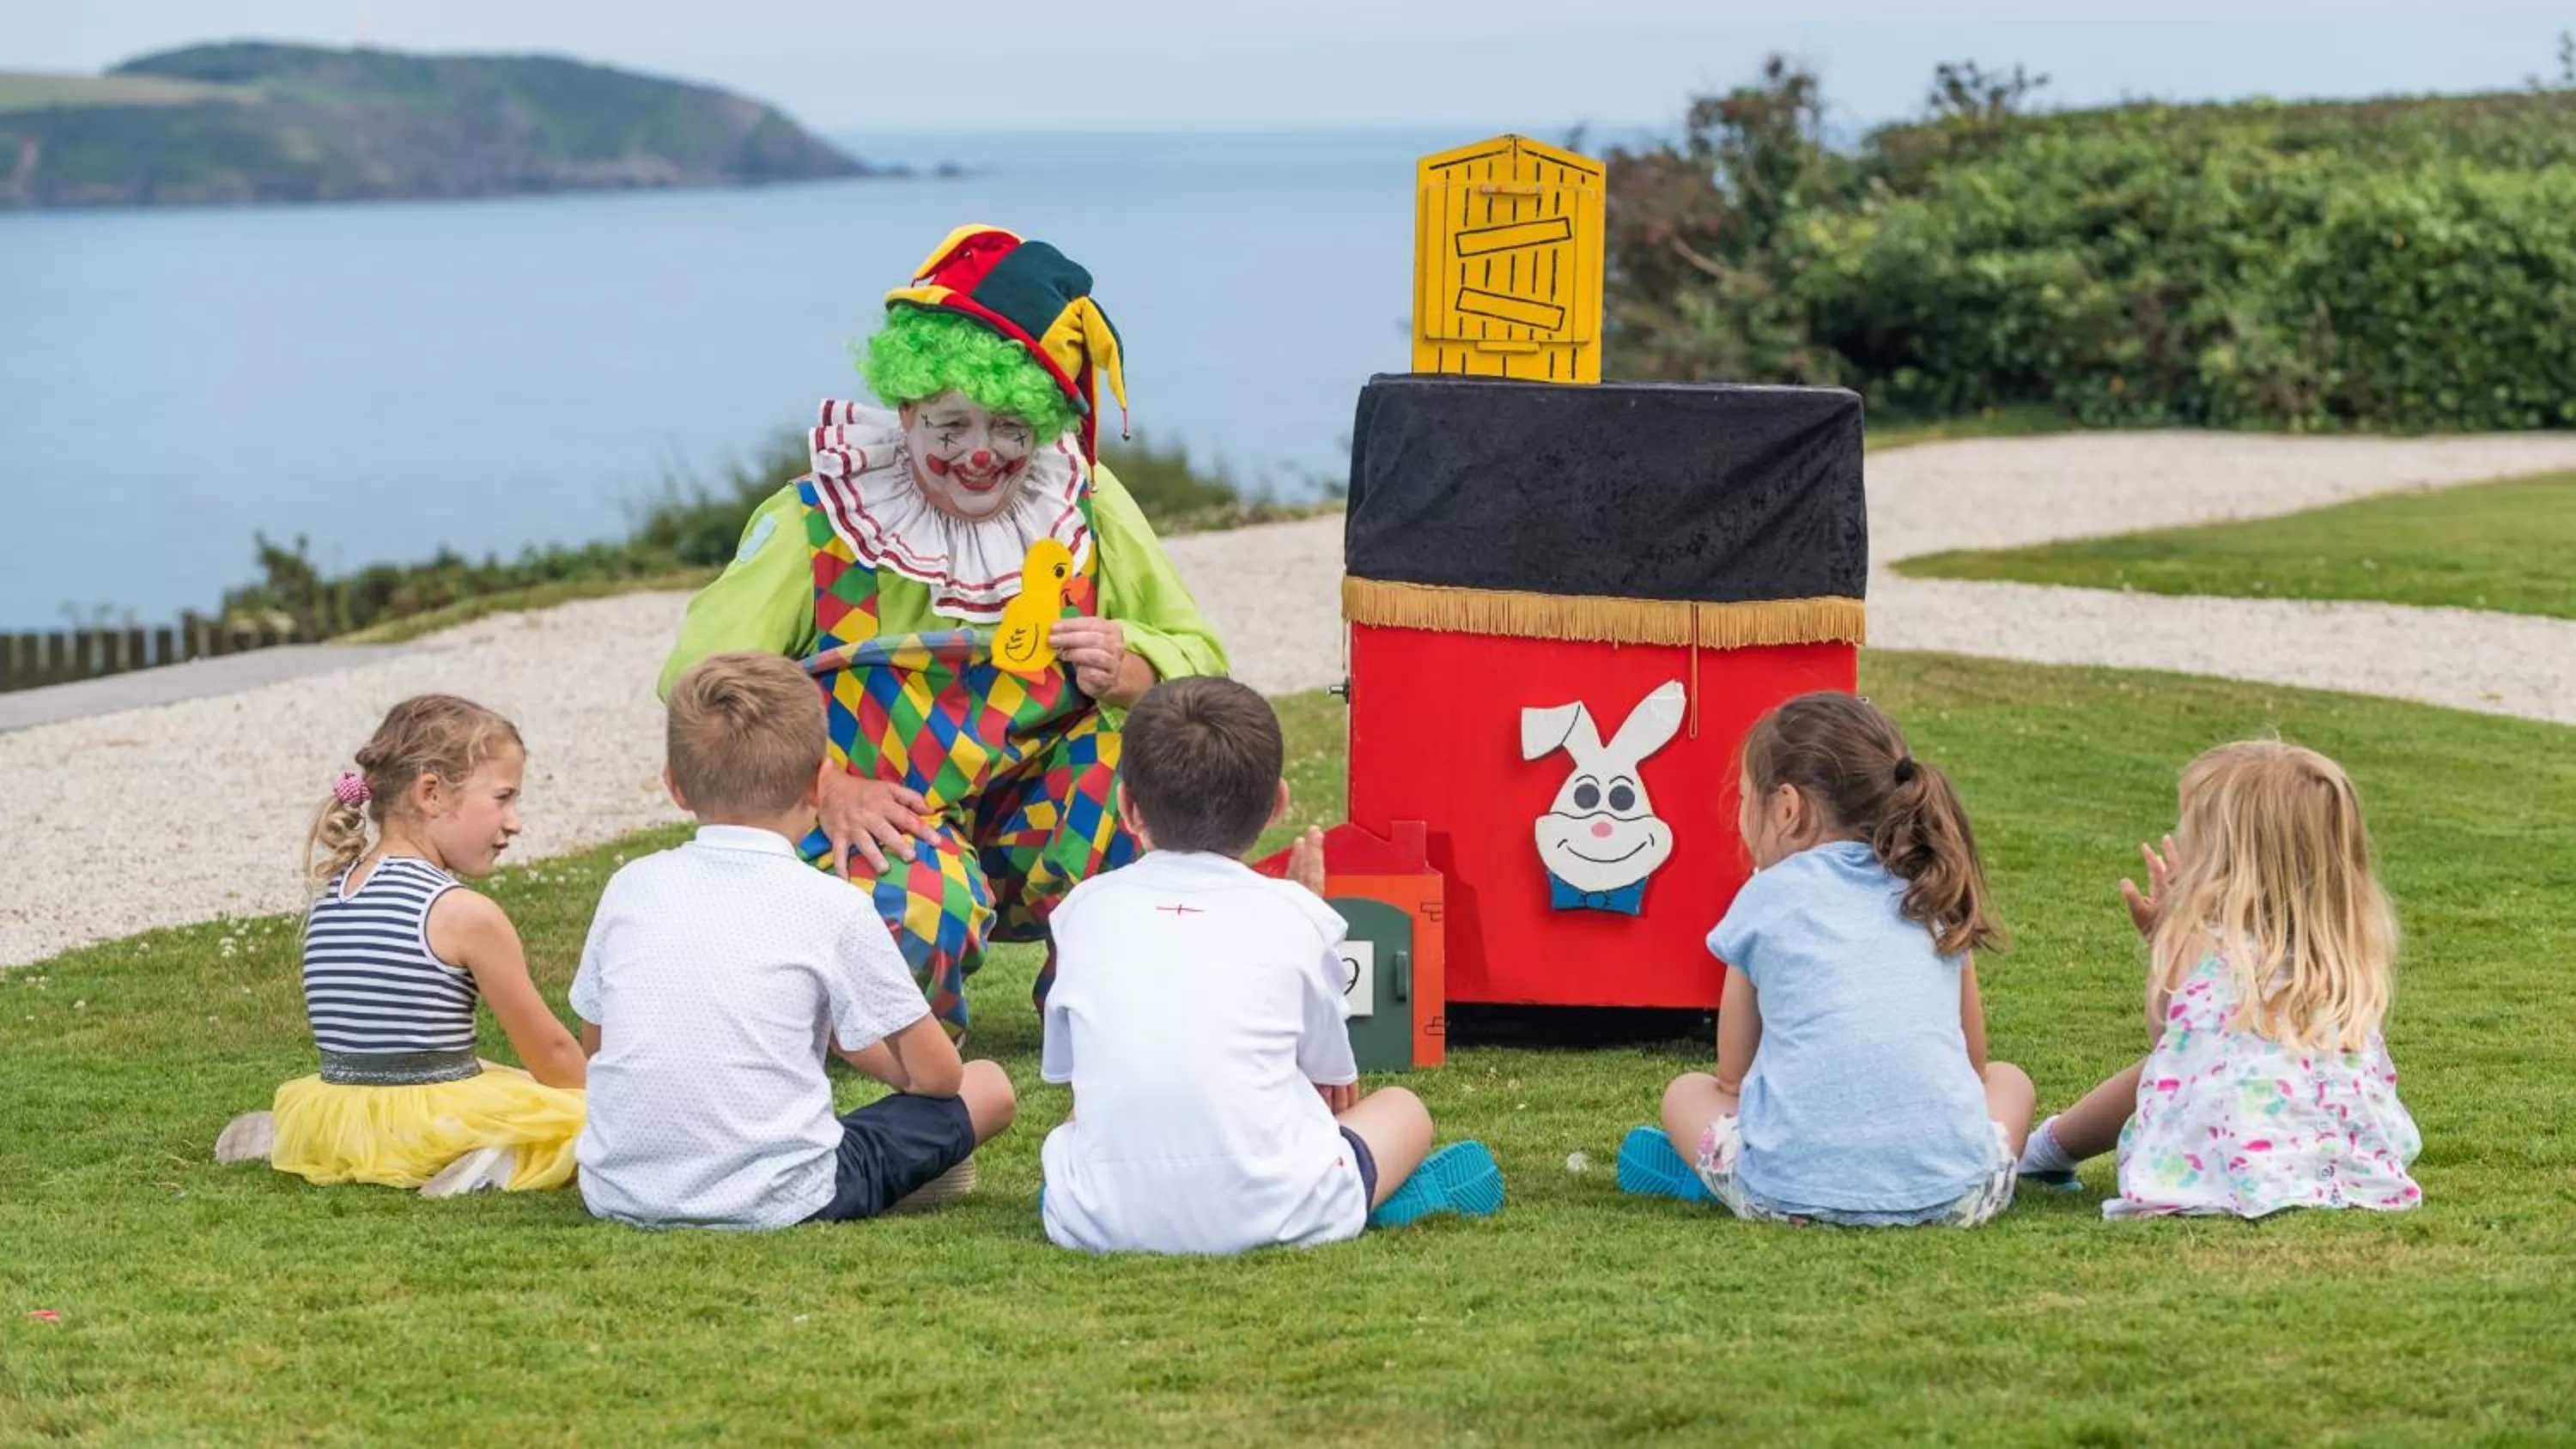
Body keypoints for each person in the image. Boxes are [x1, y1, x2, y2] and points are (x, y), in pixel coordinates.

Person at [657, 226, 1227, 1040]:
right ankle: (910, 1059)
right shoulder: (815, 521)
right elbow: (696, 684)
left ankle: (1107, 1022)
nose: (980, 455)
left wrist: (1133, 666)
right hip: (867, 806)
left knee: (1143, 792)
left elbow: (1205, 664)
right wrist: (823, 785)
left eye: (1010, 427)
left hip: (1031, 803)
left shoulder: (1085, 507)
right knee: (918, 909)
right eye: (949, 426)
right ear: (906, 410)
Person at [1037, 676, 1504, 1254]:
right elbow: (1336, 1086)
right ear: (1278, 805)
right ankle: (1362, 1195)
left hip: (1093, 1218)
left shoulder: (1081, 912)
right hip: (1279, 1205)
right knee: (1404, 1109)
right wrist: (1307, 916)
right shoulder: (1297, 917)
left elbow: (1075, 1086)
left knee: (1084, 1128)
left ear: (1129, 807)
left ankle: (1153, 1197)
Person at [572, 652, 1017, 1229]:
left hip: (618, 1191)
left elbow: (598, 1049)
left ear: (676, 788)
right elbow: (938, 1078)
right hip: (784, 1197)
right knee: (989, 1086)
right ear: (817, 784)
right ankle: (923, 1169)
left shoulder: (630, 886)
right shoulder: (835, 906)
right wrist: (862, 1052)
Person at [1617, 692, 2033, 1227]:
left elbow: (1732, 1079)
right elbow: (1975, 1067)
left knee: (1686, 1093)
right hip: (1956, 1199)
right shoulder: (1929, 889)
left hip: (1785, 1198)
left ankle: (1730, 1169)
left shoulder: (1767, 896)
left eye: (1744, 798)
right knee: (2009, 1081)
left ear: (1788, 809)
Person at [2016, 742, 2422, 1218]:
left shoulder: (2204, 943)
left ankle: (2043, 1152)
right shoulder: (2339, 954)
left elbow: (2168, 1046)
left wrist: (2163, 940)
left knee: (2162, 1066)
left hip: (2233, 1163)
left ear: (2227, 855)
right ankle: (2046, 1152)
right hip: (2350, 1169)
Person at [212, 695, 587, 1198]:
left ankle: (291, 1135)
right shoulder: (463, 914)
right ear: (431, 793)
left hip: (336, 1107)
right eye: (503, 798)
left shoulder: (334, 891)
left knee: (488, 1084)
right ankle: (490, 1163)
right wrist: (607, 1103)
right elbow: (554, 1055)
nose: (514, 821)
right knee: (578, 1118)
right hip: (431, 1116)